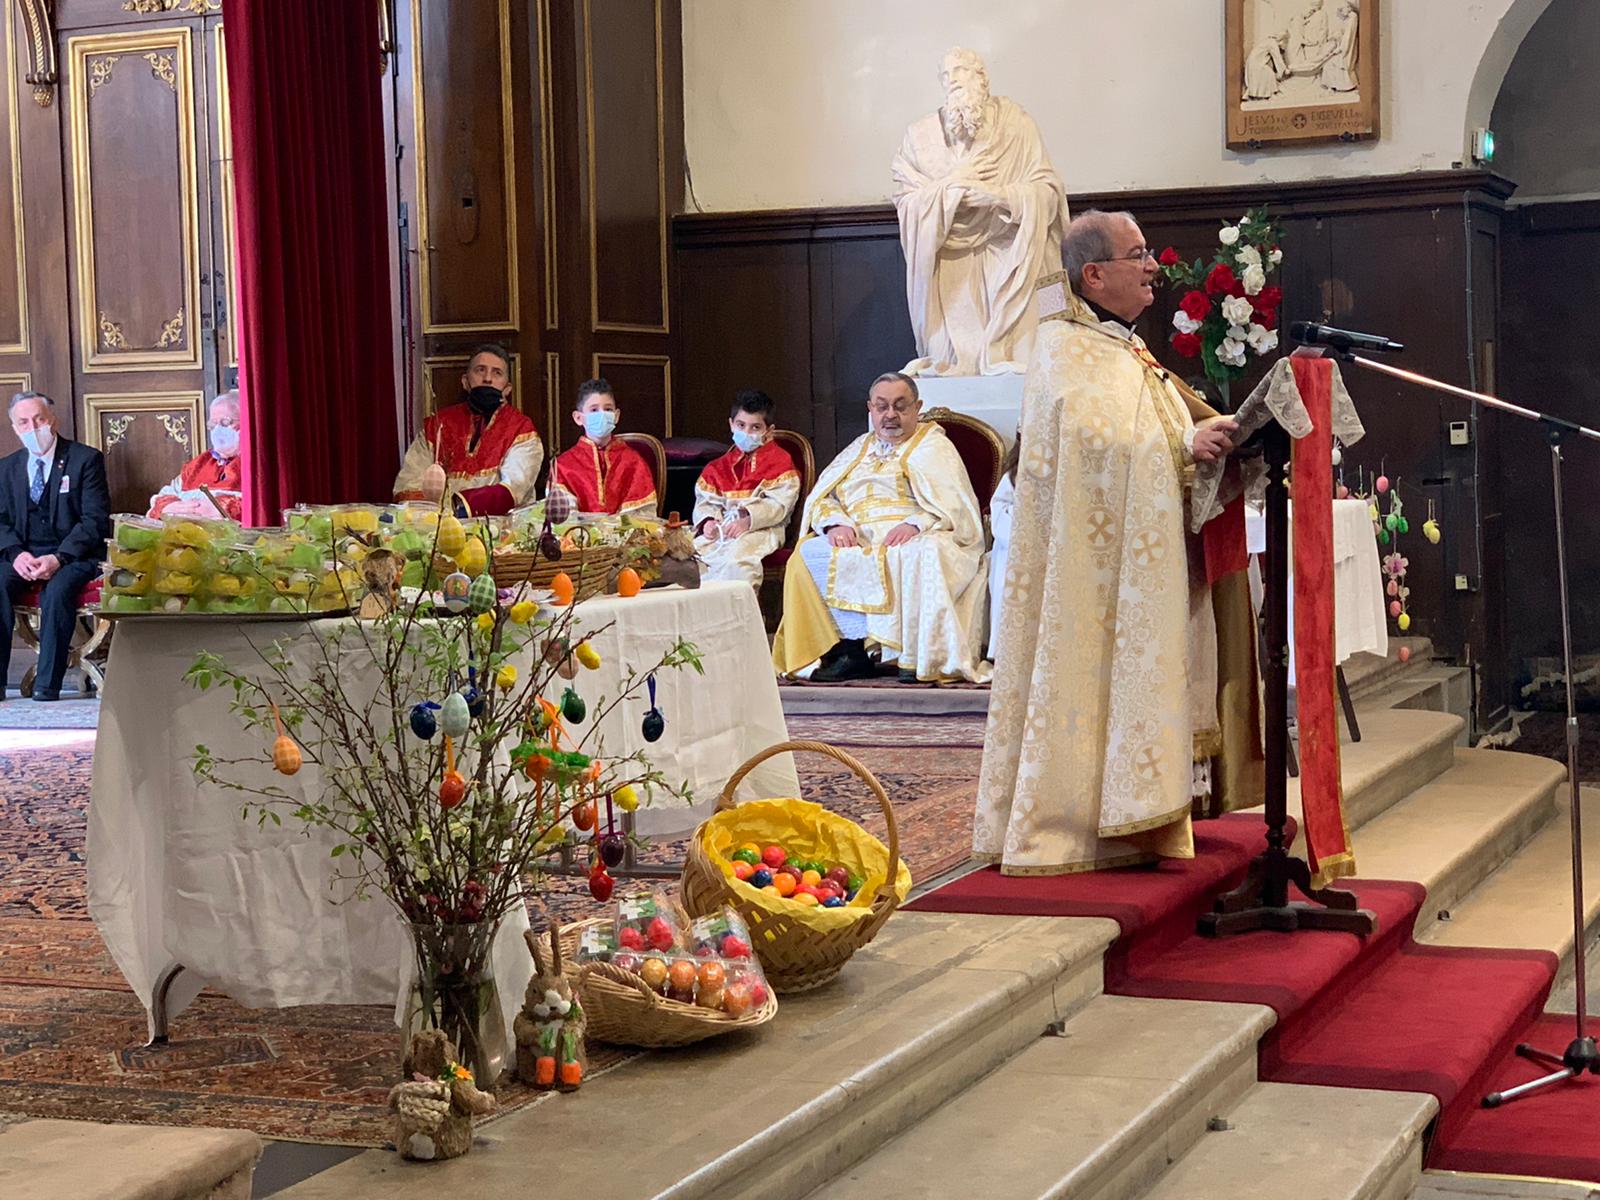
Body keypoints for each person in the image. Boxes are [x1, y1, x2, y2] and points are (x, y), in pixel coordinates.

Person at [973, 210, 1263, 875]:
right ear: (1095, 274)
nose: (1155, 265)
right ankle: (1082, 820)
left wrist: (1209, 438)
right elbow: (1093, 447)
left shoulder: (1118, 344)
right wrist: (1185, 445)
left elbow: (1154, 417)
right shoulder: (1064, 347)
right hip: (1091, 577)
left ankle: (1143, 810)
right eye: (1139, 255)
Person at [772, 372, 989, 684]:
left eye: (901, 406)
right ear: (870, 409)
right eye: (882, 406)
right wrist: (835, 524)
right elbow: (824, 497)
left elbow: (956, 507)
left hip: (918, 531)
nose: (891, 415)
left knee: (919, 553)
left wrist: (916, 524)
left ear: (918, 407)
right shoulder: (859, 448)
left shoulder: (933, 447)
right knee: (809, 554)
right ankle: (847, 652)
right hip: (858, 532)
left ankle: (914, 657)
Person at [893, 47, 1070, 377]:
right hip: (950, 265)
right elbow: (907, 200)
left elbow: (1047, 189)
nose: (952, 80)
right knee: (955, 367)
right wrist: (951, 190)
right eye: (946, 75)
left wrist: (1000, 196)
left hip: (1013, 256)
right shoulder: (920, 136)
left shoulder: (1016, 124)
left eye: (960, 70)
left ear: (982, 78)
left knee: (1031, 363)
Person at [0, 392, 112, 701]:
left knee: (58, 590)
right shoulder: (6, 468)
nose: (32, 427)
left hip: (74, 555)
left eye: (39, 419)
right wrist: (16, 554)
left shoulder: (85, 460)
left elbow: (94, 520)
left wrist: (59, 557)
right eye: (23, 422)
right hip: (23, 554)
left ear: (53, 421)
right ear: (14, 427)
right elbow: (1, 522)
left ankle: (47, 685)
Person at [394, 344, 543, 515]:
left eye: (497, 373)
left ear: (507, 388)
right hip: (438, 527)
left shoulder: (521, 429)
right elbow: (409, 484)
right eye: (480, 370)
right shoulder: (437, 426)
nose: (487, 378)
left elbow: (514, 488)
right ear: (465, 381)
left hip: (500, 531)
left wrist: (458, 508)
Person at [692, 390, 800, 586]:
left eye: (755, 427)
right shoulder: (716, 467)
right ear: (731, 424)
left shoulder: (780, 462)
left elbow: (778, 505)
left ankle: (738, 616)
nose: (747, 433)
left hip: (761, 529)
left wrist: (747, 520)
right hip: (721, 531)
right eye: (741, 425)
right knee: (690, 557)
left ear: (769, 430)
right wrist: (708, 522)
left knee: (736, 560)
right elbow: (705, 502)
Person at [547, 378, 657, 517]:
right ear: (578, 418)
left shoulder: (634, 462)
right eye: (594, 410)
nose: (602, 415)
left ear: (616, 416)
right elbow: (561, 519)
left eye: (608, 409)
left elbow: (644, 517)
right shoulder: (563, 466)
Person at [148, 391, 244, 520]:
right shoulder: (199, 464)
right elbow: (165, 495)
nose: (217, 431)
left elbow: (265, 505)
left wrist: (222, 508)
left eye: (225, 423)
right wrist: (167, 507)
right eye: (213, 425)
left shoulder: (260, 464)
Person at [986, 437, 1018, 661]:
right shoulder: (1014, 477)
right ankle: (1007, 652)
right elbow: (999, 513)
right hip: (1015, 544)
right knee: (1007, 560)